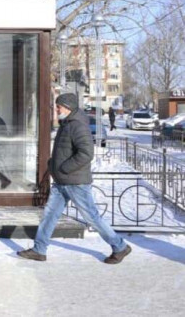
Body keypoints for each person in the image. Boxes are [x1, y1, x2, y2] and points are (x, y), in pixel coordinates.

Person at [17, 93, 131, 264]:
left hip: (75, 182)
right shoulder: (67, 124)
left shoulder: (77, 126)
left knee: (92, 217)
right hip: (62, 182)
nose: (57, 110)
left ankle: (120, 246)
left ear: (68, 107)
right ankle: (39, 250)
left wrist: (64, 168)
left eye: (59, 107)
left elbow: (86, 153)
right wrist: (53, 165)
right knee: (49, 215)